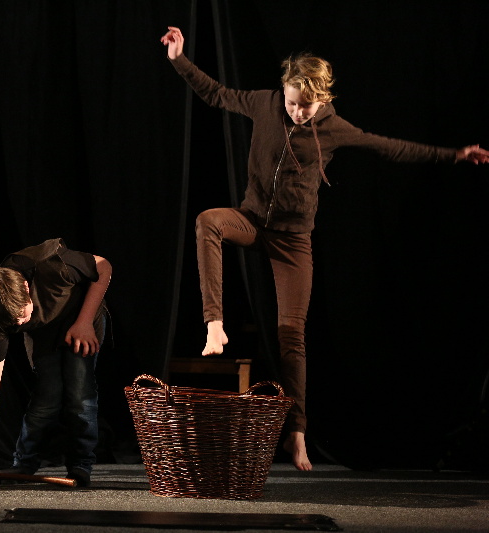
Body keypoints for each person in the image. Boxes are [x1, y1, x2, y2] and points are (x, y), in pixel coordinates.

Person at [160, 26, 489, 471]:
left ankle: (296, 433)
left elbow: (389, 147)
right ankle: (214, 324)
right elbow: (215, 93)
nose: (298, 113)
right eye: (293, 103)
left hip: (293, 241)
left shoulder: (333, 128)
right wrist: (179, 60)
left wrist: (453, 155)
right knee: (208, 222)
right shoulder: (264, 103)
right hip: (252, 221)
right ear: (284, 91)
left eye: (307, 106)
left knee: (291, 335)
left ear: (322, 100)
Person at [0, 238, 111, 487]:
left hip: (81, 318)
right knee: (47, 397)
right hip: (44, 331)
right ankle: (24, 463)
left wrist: (85, 322)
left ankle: (80, 464)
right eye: (13, 323)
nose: (19, 324)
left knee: (79, 395)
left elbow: (104, 266)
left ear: (26, 287)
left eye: (21, 315)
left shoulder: (52, 264)